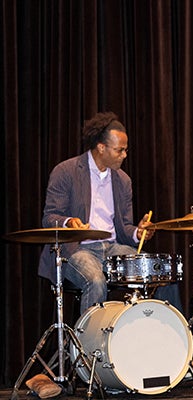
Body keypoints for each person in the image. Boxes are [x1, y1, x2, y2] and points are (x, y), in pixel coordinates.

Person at [38, 111, 183, 314]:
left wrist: (137, 233)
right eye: (119, 150)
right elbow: (49, 217)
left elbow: (124, 228)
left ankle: (170, 339)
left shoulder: (123, 181)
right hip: (77, 250)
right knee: (96, 281)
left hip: (113, 249)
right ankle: (89, 343)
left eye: (125, 150)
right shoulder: (66, 171)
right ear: (101, 147)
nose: (124, 155)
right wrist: (69, 222)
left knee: (160, 272)